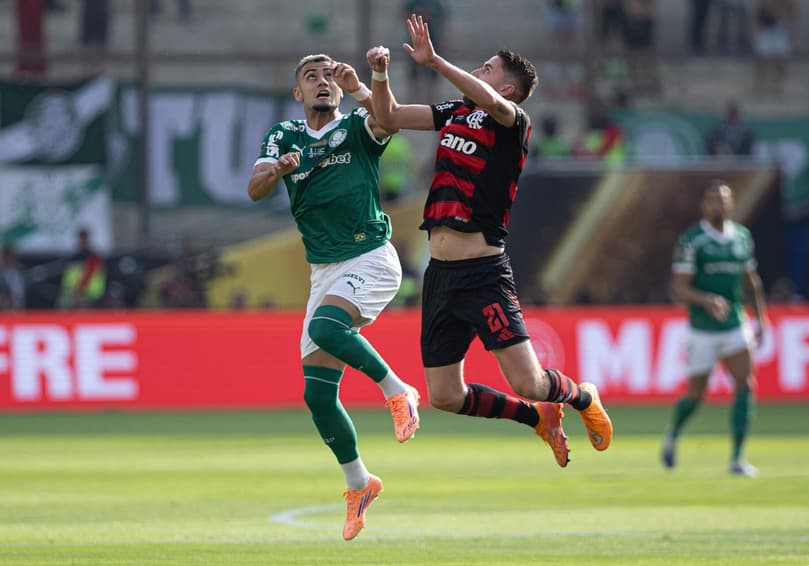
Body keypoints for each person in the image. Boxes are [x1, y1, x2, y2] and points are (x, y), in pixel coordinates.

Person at [366, 15, 613, 470]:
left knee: (531, 381)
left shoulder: (512, 121)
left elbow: (493, 103)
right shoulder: (457, 111)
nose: (479, 71)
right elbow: (389, 117)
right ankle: (535, 419)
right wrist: (380, 76)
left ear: (510, 89)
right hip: (440, 275)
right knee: (443, 395)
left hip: (483, 273)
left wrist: (435, 60)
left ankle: (580, 396)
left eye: (487, 68)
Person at [246, 54, 420, 541]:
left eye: (329, 78)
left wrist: (370, 84)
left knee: (326, 328)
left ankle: (398, 390)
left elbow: (390, 120)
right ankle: (360, 484)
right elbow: (255, 189)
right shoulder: (285, 136)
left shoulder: (357, 129)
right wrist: (278, 170)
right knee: (317, 395)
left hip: (370, 257)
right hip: (324, 271)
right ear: (298, 93)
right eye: (310, 78)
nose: (322, 83)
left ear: (339, 92)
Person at [662, 180, 768, 478]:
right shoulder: (693, 240)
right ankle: (673, 433)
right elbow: (679, 287)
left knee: (745, 385)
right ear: (703, 206)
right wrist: (707, 300)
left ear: (731, 204)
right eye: (711, 199)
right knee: (696, 395)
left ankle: (737, 457)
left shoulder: (742, 237)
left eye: (722, 199)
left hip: (736, 323)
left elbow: (752, 281)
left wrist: (761, 318)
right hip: (702, 328)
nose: (717, 204)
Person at [57, 228, 106, 309]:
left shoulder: (94, 257)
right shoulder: (73, 258)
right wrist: (68, 291)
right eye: (80, 238)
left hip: (90, 295)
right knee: (62, 305)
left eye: (84, 238)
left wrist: (76, 291)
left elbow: (88, 276)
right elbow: (68, 278)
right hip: (72, 295)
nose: (82, 241)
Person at [0, 245, 26, 310]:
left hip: (14, 307)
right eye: (5, 257)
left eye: (9, 257)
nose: (7, 259)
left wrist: (10, 300)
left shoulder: (17, 274)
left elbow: (19, 294)